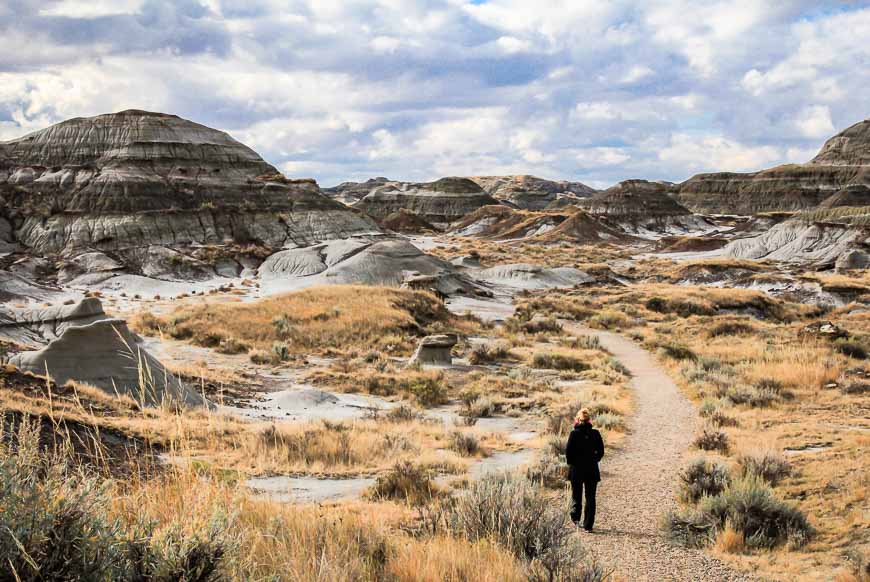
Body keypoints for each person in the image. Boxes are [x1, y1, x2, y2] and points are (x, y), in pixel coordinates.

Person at [565, 407, 604, 532]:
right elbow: (601, 452)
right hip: (592, 470)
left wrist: (573, 464)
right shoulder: (595, 433)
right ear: (589, 420)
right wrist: (594, 460)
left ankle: (576, 519)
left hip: (577, 471)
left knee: (576, 496)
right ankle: (588, 525)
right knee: (590, 497)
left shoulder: (574, 434)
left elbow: (568, 453)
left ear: (578, 419)